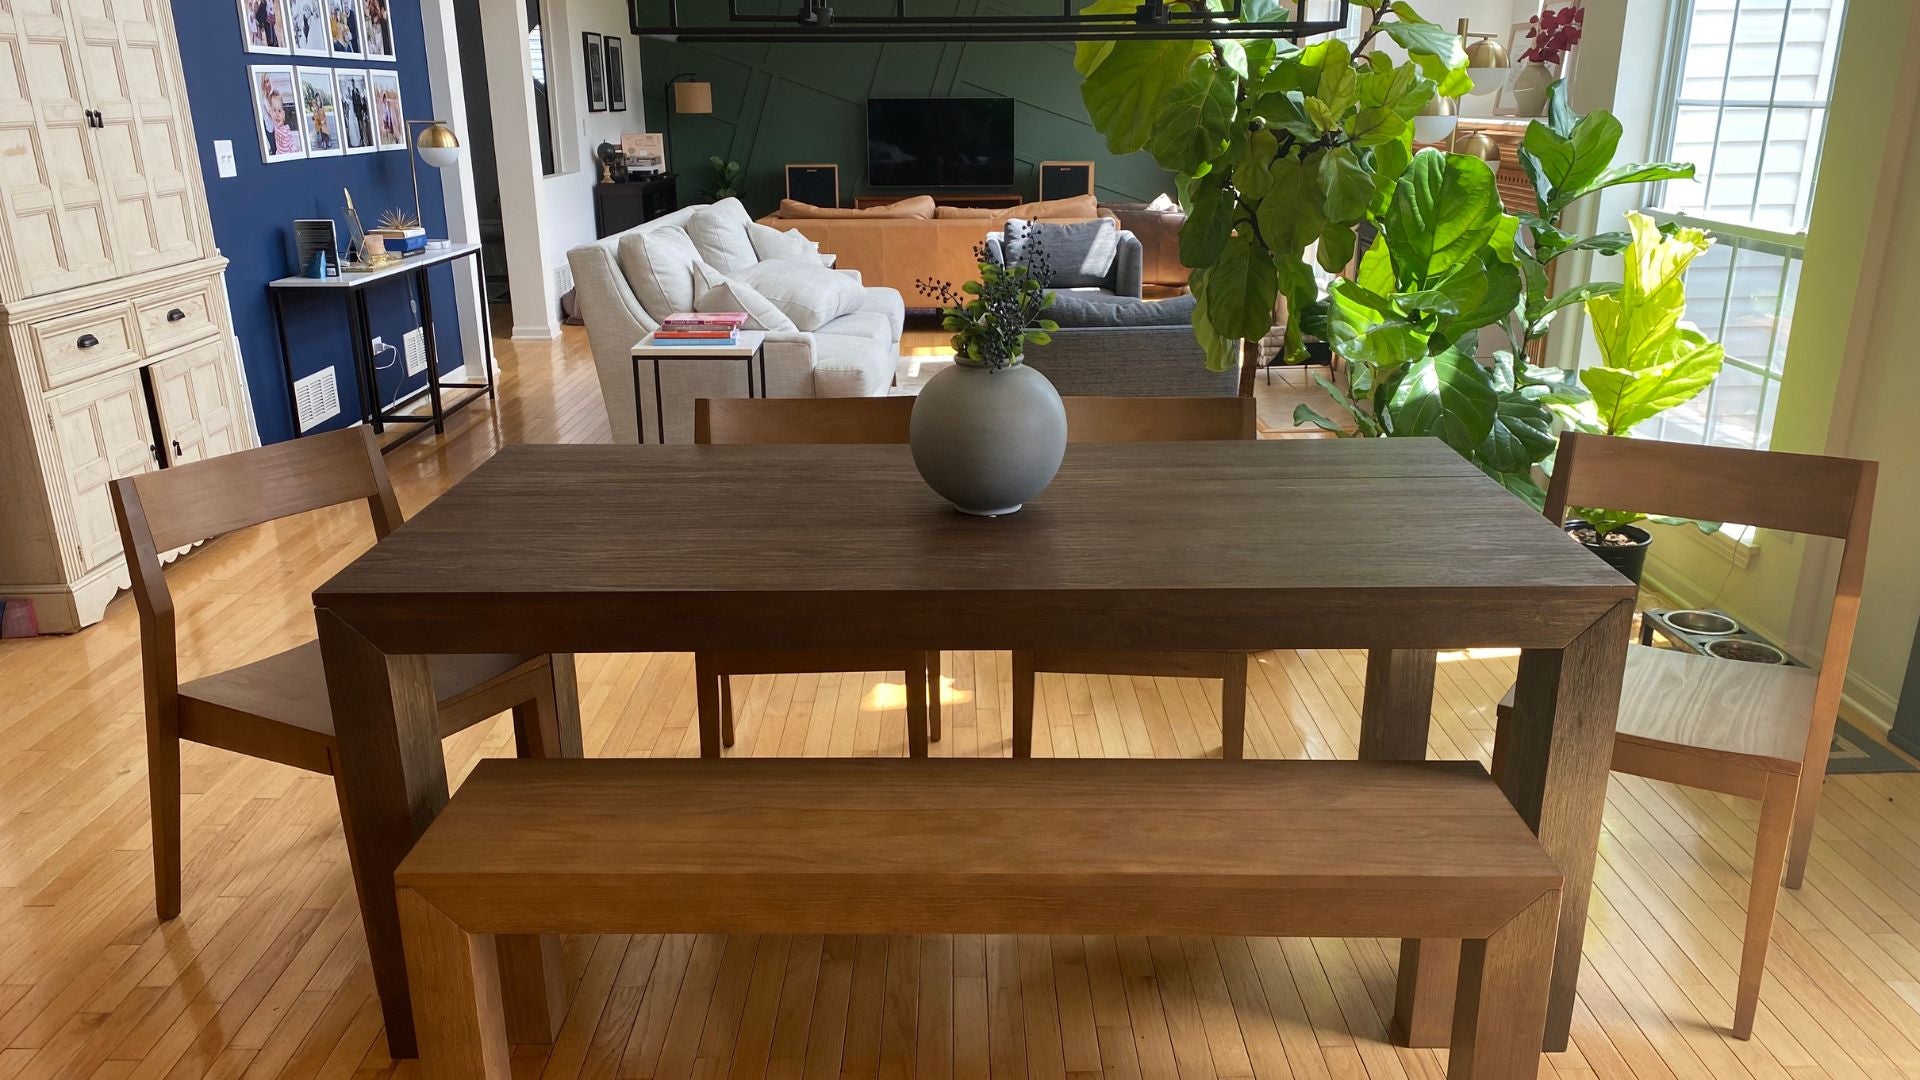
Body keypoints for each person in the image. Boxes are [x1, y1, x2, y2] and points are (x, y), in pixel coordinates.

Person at [261, 79, 300, 156]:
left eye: (279, 111)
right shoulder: (274, 128)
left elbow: (291, 144)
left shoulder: (286, 129)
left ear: (283, 114)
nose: (277, 114)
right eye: (274, 111)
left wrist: (294, 151)